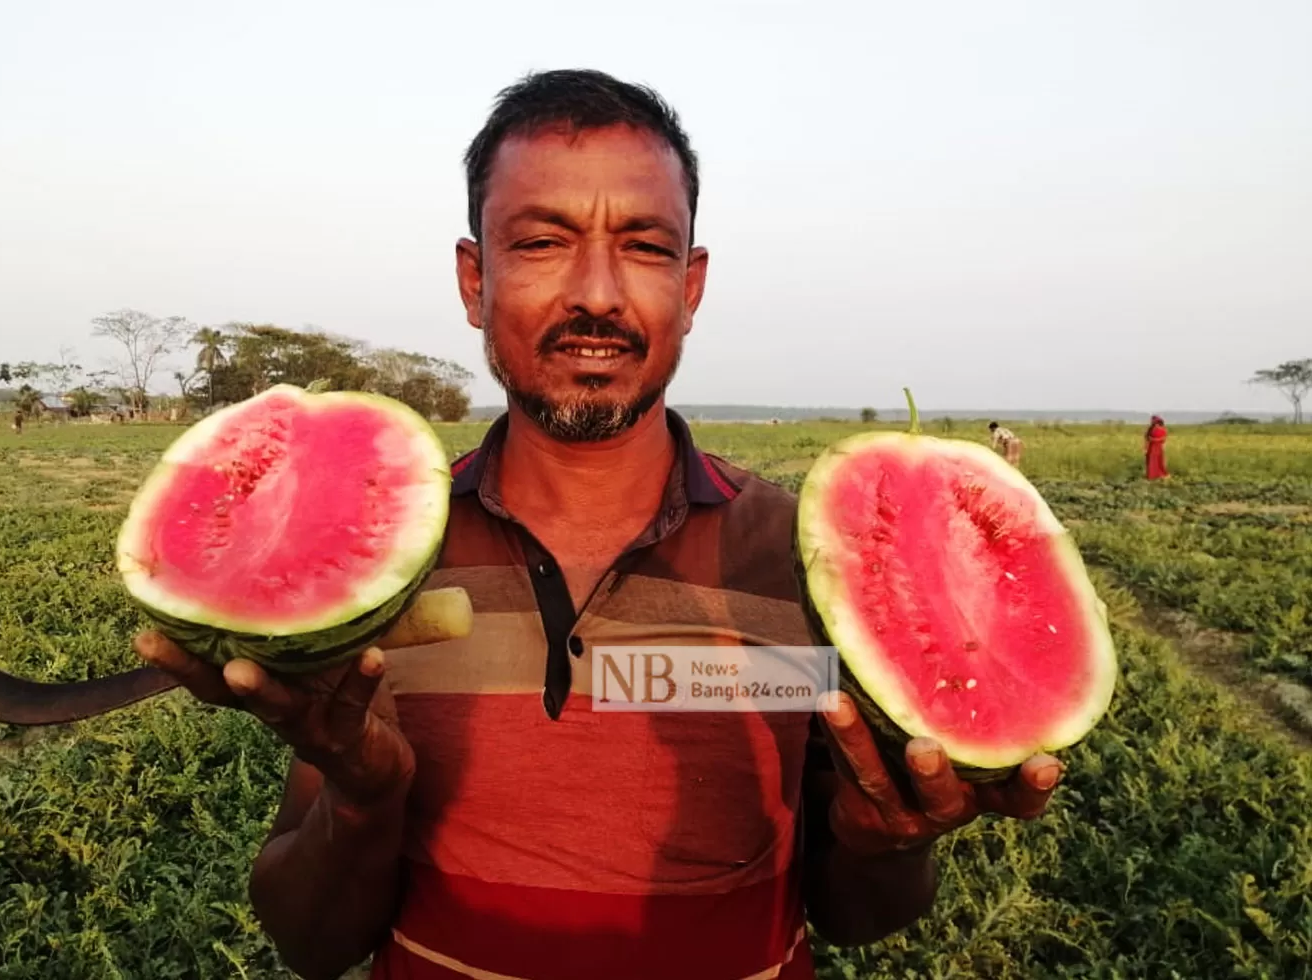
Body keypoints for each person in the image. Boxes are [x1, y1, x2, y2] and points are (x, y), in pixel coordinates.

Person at [134, 70, 1063, 980]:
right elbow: (310, 944)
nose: (598, 295)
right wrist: (365, 794)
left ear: (691, 286)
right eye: (542, 243)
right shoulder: (385, 584)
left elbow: (858, 918)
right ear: (474, 280)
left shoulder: (798, 560)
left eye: (647, 248)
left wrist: (885, 844)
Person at [1145, 415, 1169, 479]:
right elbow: (1147, 438)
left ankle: (1158, 475)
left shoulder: (1162, 429)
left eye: (1154, 420)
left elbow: (1163, 439)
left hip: (1157, 447)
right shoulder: (1150, 429)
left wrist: (1154, 440)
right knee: (1151, 461)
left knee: (1158, 461)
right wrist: (1146, 447)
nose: (1152, 421)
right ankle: (1152, 475)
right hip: (1152, 447)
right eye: (1152, 420)